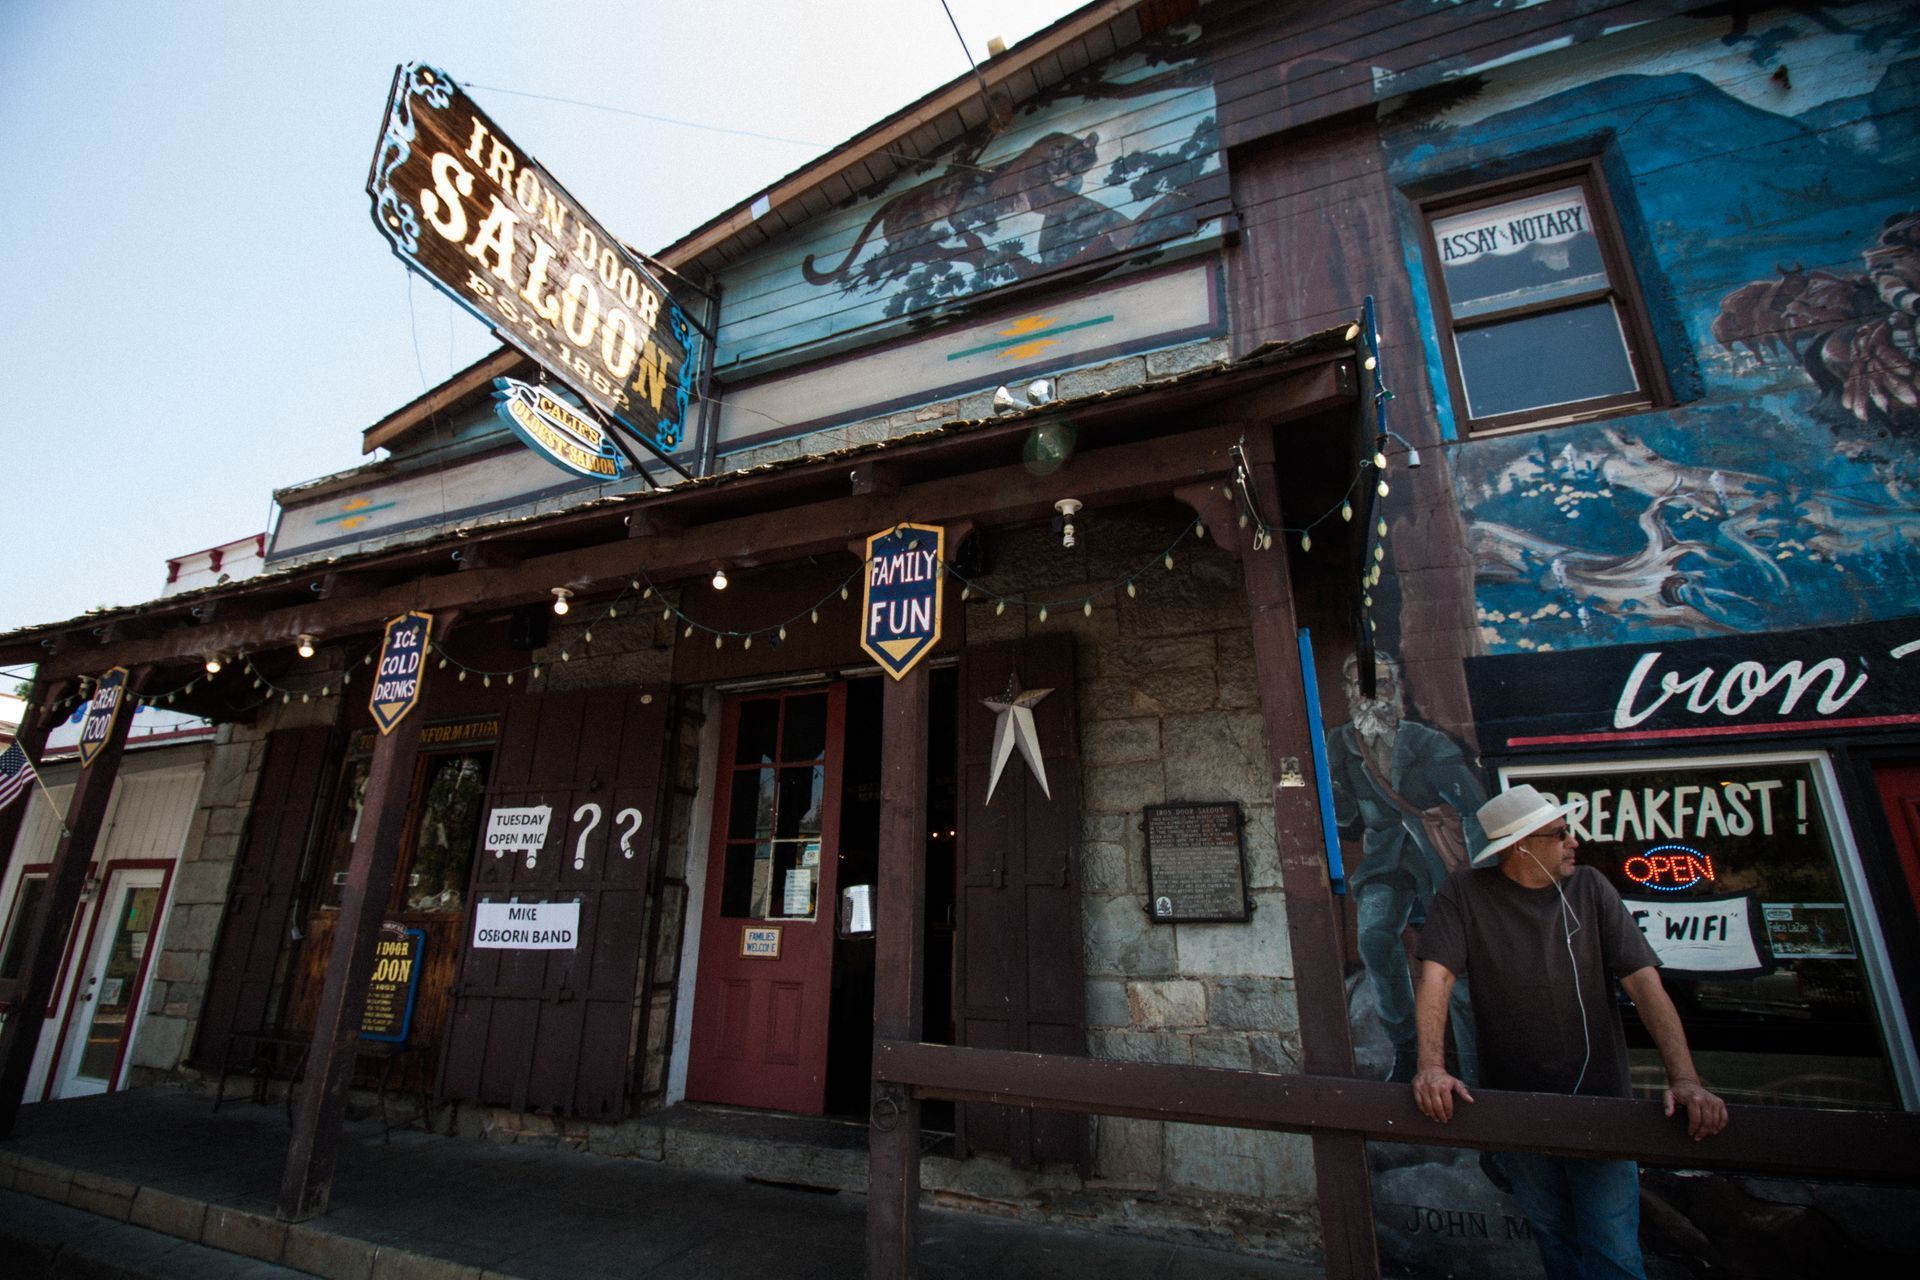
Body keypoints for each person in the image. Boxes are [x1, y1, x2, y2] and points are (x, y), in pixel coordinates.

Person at [1411, 783, 1728, 1280]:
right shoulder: (1465, 892)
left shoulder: (1591, 888)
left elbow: (1644, 984)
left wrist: (1686, 1078)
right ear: (1521, 846)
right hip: (1516, 1106)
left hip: (1599, 1104)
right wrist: (1431, 1068)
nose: (1573, 842)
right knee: (1553, 1237)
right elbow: (1437, 977)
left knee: (1612, 1247)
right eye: (1560, 834)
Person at [1325, 651, 1486, 1081]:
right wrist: (1331, 794)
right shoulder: (1338, 744)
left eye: (1380, 683)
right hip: (1384, 865)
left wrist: (1477, 879)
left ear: (1399, 690)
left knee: (1457, 962)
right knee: (1375, 940)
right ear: (1347, 694)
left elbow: (1473, 810)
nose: (1371, 694)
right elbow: (1348, 822)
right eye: (1360, 685)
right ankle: (1405, 1046)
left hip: (1438, 866)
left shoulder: (1427, 743)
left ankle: (1472, 1065)